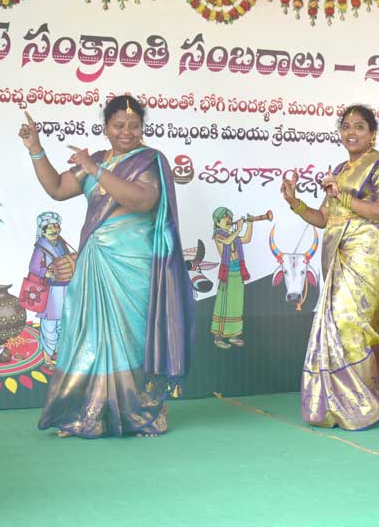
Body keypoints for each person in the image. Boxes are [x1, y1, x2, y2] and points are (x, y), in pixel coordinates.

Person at [19, 95, 194, 438]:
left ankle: (141, 414)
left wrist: (94, 169)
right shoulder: (95, 160)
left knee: (131, 339)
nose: (127, 131)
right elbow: (57, 188)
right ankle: (86, 415)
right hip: (94, 263)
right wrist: (35, 148)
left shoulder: (149, 161)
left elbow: (142, 200)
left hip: (134, 266)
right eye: (118, 125)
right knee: (89, 338)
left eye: (134, 125)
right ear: (105, 128)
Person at [281, 104, 379, 430]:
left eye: (359, 126)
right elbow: (324, 219)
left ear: (372, 134)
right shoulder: (340, 170)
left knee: (350, 321)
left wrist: (343, 197)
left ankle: (363, 402)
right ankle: (337, 403)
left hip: (367, 253)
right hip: (337, 252)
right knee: (335, 324)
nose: (351, 132)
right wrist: (295, 202)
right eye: (346, 126)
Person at [28, 211, 76, 369]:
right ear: (43, 231)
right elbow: (33, 268)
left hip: (66, 288)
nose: (54, 230)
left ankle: (61, 354)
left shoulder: (61, 244)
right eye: (50, 227)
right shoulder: (41, 248)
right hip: (51, 292)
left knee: (63, 323)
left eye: (56, 226)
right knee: (50, 325)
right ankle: (47, 358)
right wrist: (46, 273)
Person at [210, 207, 254, 350]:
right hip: (227, 273)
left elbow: (246, 239)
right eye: (224, 218)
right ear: (217, 222)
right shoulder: (218, 235)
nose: (228, 220)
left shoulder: (232, 235)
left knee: (236, 305)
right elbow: (228, 241)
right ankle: (218, 338)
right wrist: (238, 229)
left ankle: (234, 335)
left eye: (229, 217)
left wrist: (250, 223)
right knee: (224, 305)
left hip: (238, 272)